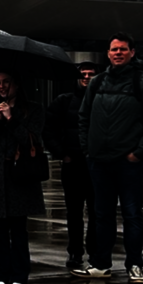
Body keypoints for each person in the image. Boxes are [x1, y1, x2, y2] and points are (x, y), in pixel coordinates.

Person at [73, 33, 143, 284]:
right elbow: (84, 118)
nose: (118, 53)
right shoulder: (98, 82)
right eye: (114, 49)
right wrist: (87, 149)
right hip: (99, 162)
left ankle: (134, 265)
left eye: (123, 49)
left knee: (132, 214)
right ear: (108, 53)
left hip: (128, 164)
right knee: (101, 215)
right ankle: (101, 264)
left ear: (132, 52)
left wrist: (137, 153)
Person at [0, 70, 45, 284]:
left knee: (18, 226)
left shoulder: (32, 110)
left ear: (16, 84)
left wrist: (11, 118)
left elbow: (33, 141)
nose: (1, 87)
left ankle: (20, 274)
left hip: (20, 173)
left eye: (6, 82)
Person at [46, 61, 99, 271]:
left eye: (91, 74)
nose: (86, 77)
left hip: (96, 165)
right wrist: (62, 154)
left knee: (97, 212)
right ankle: (75, 253)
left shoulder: (102, 101)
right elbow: (49, 129)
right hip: (73, 164)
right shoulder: (64, 101)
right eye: (83, 74)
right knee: (74, 212)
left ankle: (95, 253)